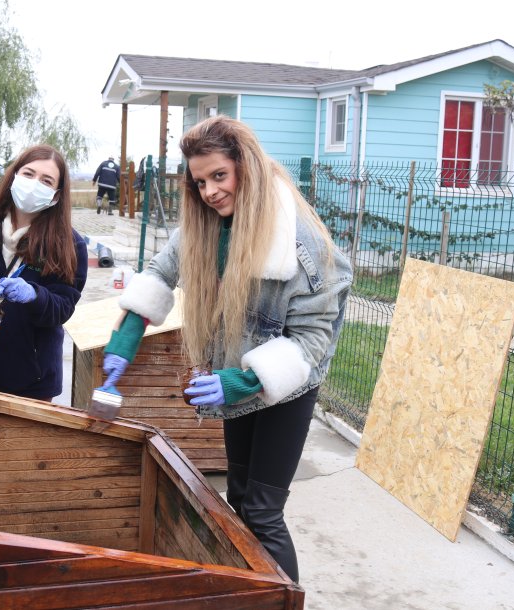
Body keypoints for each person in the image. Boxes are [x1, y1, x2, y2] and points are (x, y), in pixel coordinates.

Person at [100, 116, 352, 583]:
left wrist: (243, 381)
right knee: (238, 496)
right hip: (236, 379)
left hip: (287, 385)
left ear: (246, 168)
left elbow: (313, 340)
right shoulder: (202, 227)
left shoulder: (300, 247)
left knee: (262, 509)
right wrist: (123, 342)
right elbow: (158, 274)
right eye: (200, 182)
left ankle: (283, 599)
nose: (211, 191)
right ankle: (254, 591)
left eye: (220, 175)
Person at [0, 144, 88, 400]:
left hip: (31, 376)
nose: (34, 184)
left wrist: (35, 295)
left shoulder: (68, 244)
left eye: (46, 180)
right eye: (28, 174)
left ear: (55, 195)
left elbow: (64, 306)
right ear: (14, 177)